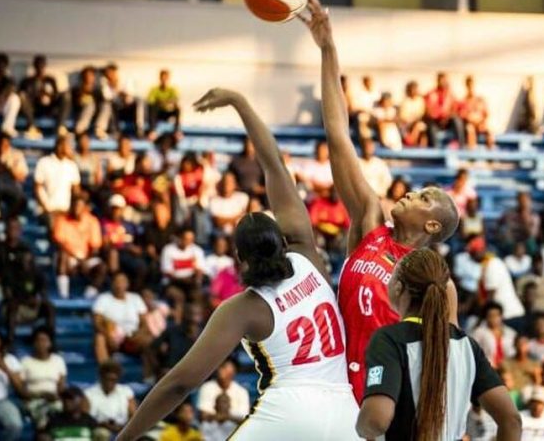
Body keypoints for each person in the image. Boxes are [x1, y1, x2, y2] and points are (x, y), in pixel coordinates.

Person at [115, 86, 361, 440]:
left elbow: (180, 383)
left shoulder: (244, 308)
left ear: (239, 260)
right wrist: (241, 102)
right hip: (345, 412)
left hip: (289, 411)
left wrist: (125, 437)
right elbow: (274, 164)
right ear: (282, 240)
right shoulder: (308, 256)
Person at [299, 0, 461, 402]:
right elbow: (338, 135)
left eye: (423, 197)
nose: (409, 192)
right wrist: (328, 49)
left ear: (432, 225)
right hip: (335, 392)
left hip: (391, 405)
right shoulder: (372, 222)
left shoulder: (436, 284)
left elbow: (448, 365)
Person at [356, 249, 521, 441]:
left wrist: (360, 427)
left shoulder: (389, 339)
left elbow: (375, 421)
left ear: (398, 287)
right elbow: (511, 420)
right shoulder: (467, 345)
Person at [52, 195, 105, 299]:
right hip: (69, 257)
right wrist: (77, 259)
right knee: (62, 257)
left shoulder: (92, 221)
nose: (77, 209)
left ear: (85, 208)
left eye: (80, 206)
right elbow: (60, 243)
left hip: (86, 259)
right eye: (74, 206)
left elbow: (95, 246)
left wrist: (85, 260)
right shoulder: (62, 220)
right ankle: (63, 295)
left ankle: (87, 297)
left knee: (102, 267)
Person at [92, 272, 150, 364]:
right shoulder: (103, 298)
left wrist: (139, 335)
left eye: (122, 281)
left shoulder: (135, 298)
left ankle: (150, 376)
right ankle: (106, 370)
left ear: (127, 284)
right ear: (112, 283)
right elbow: (97, 322)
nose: (119, 285)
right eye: (117, 281)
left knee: (149, 340)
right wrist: (108, 336)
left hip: (132, 337)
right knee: (100, 338)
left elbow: (144, 322)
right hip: (112, 336)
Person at [20, 327, 67, 430]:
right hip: (33, 400)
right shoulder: (26, 361)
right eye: (38, 340)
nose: (41, 343)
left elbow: (61, 386)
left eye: (44, 340)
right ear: (33, 343)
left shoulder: (58, 360)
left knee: (62, 410)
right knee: (42, 416)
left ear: (50, 343)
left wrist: (56, 396)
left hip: (54, 399)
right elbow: (22, 390)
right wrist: (41, 395)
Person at [19, 54, 70, 139]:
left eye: (42, 65)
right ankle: (32, 127)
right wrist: (37, 96)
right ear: (34, 66)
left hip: (49, 108)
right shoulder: (27, 81)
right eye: (38, 65)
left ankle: (60, 126)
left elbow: (56, 95)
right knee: (22, 96)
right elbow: (24, 95)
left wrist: (49, 95)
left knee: (66, 95)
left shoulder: (50, 79)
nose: (40, 67)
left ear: (45, 66)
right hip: (35, 109)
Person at [83, 361, 136, 440]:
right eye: (107, 379)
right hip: (98, 428)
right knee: (102, 434)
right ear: (101, 377)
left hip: (122, 428)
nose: (109, 383)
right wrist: (103, 425)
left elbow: (133, 415)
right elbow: (84, 418)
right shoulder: (89, 393)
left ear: (118, 379)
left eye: (113, 380)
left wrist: (122, 427)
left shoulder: (126, 392)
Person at [34, 136, 81, 224]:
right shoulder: (44, 162)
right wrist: (47, 208)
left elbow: (76, 191)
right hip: (47, 211)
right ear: (60, 146)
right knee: (55, 225)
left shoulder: (72, 165)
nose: (71, 148)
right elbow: (37, 188)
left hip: (65, 210)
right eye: (68, 145)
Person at [95, 63, 145, 139]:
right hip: (116, 110)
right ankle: (103, 130)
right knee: (107, 105)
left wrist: (117, 89)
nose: (109, 76)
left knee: (139, 101)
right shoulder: (104, 84)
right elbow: (107, 97)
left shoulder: (125, 80)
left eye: (110, 73)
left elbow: (129, 98)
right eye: (107, 74)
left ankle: (140, 128)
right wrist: (111, 87)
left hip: (129, 110)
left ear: (115, 72)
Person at [196, 359, 250, 425]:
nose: (220, 370)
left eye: (224, 367)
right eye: (220, 367)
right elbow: (204, 415)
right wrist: (229, 417)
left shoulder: (242, 392)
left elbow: (244, 418)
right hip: (211, 430)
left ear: (233, 372)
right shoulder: (207, 387)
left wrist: (223, 417)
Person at [471, 301, 518, 369]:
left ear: (501, 316)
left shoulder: (511, 333)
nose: (493, 318)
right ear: (486, 317)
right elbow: (474, 351)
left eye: (496, 315)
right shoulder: (479, 332)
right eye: (490, 316)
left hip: (509, 368)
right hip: (488, 367)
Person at [424, 72, 465, 148]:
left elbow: (455, 107)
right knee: (431, 126)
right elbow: (429, 110)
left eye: (445, 80)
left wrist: (448, 116)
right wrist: (441, 115)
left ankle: (461, 146)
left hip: (447, 121)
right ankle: (435, 150)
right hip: (436, 121)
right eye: (442, 80)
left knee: (457, 120)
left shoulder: (450, 94)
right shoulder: (432, 94)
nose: (444, 82)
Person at [460, 75, 494, 149]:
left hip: (480, 123)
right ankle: (472, 154)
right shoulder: (464, 101)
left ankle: (491, 153)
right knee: (470, 129)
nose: (470, 88)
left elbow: (486, 113)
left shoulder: (480, 99)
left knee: (490, 131)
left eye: (471, 85)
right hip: (471, 125)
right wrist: (473, 120)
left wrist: (481, 121)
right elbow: (464, 116)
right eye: (469, 85)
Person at [146, 69, 181, 138]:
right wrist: (166, 102)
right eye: (162, 78)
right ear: (160, 78)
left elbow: (175, 100)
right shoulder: (154, 89)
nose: (164, 80)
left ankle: (177, 131)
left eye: (166, 78)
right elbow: (150, 101)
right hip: (158, 113)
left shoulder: (172, 90)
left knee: (178, 108)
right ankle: (152, 131)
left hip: (167, 112)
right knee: (153, 107)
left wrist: (162, 102)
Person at [69, 66, 100, 135]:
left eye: (90, 75)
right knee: (89, 105)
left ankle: (80, 129)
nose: (88, 77)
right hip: (80, 113)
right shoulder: (77, 90)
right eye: (87, 75)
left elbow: (99, 104)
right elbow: (75, 103)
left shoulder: (97, 91)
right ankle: (79, 129)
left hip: (94, 115)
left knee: (91, 104)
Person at [399, 81, 428, 147]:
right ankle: (411, 143)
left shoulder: (420, 100)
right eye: (412, 89)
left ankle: (422, 147)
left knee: (421, 126)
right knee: (417, 126)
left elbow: (422, 113)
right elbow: (403, 117)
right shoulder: (405, 102)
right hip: (407, 124)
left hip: (418, 122)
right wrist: (412, 120)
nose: (414, 91)